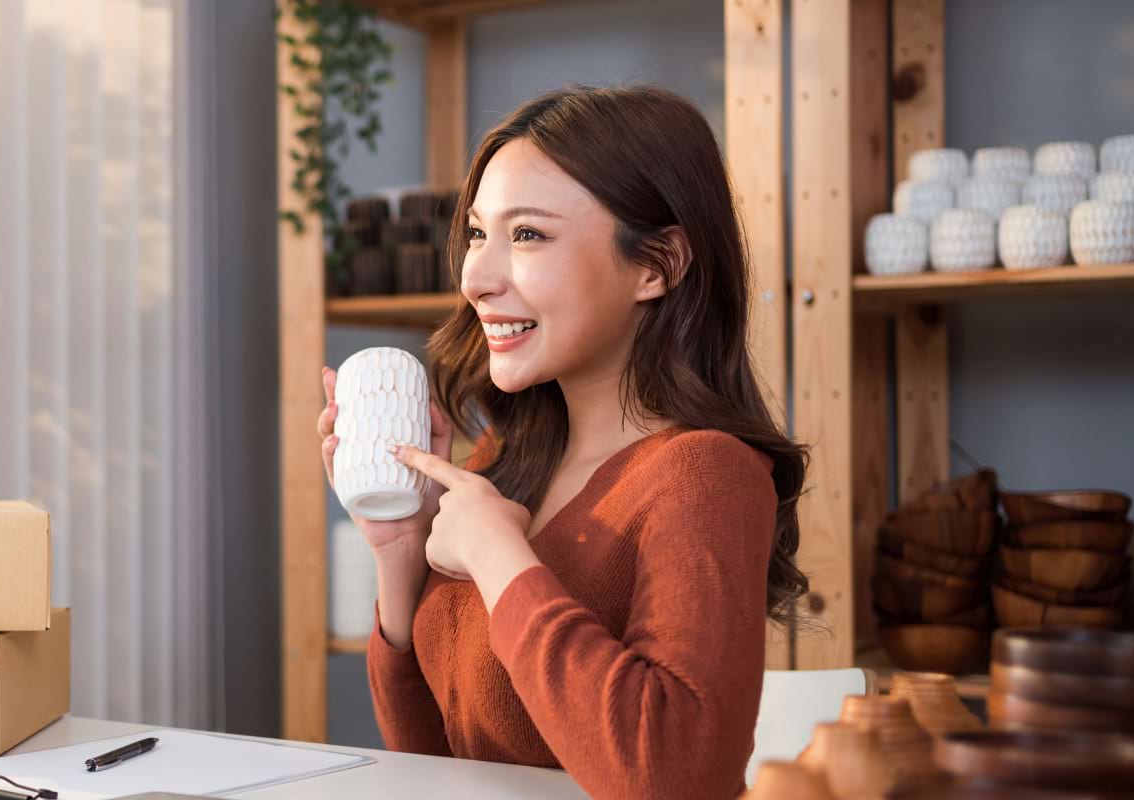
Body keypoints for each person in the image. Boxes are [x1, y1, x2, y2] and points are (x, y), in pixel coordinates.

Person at [315, 85, 809, 799]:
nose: (476, 278)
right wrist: (401, 553)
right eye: (480, 233)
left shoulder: (706, 476)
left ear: (657, 265)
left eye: (528, 235)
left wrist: (495, 553)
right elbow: (436, 764)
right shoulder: (502, 466)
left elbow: (679, 776)